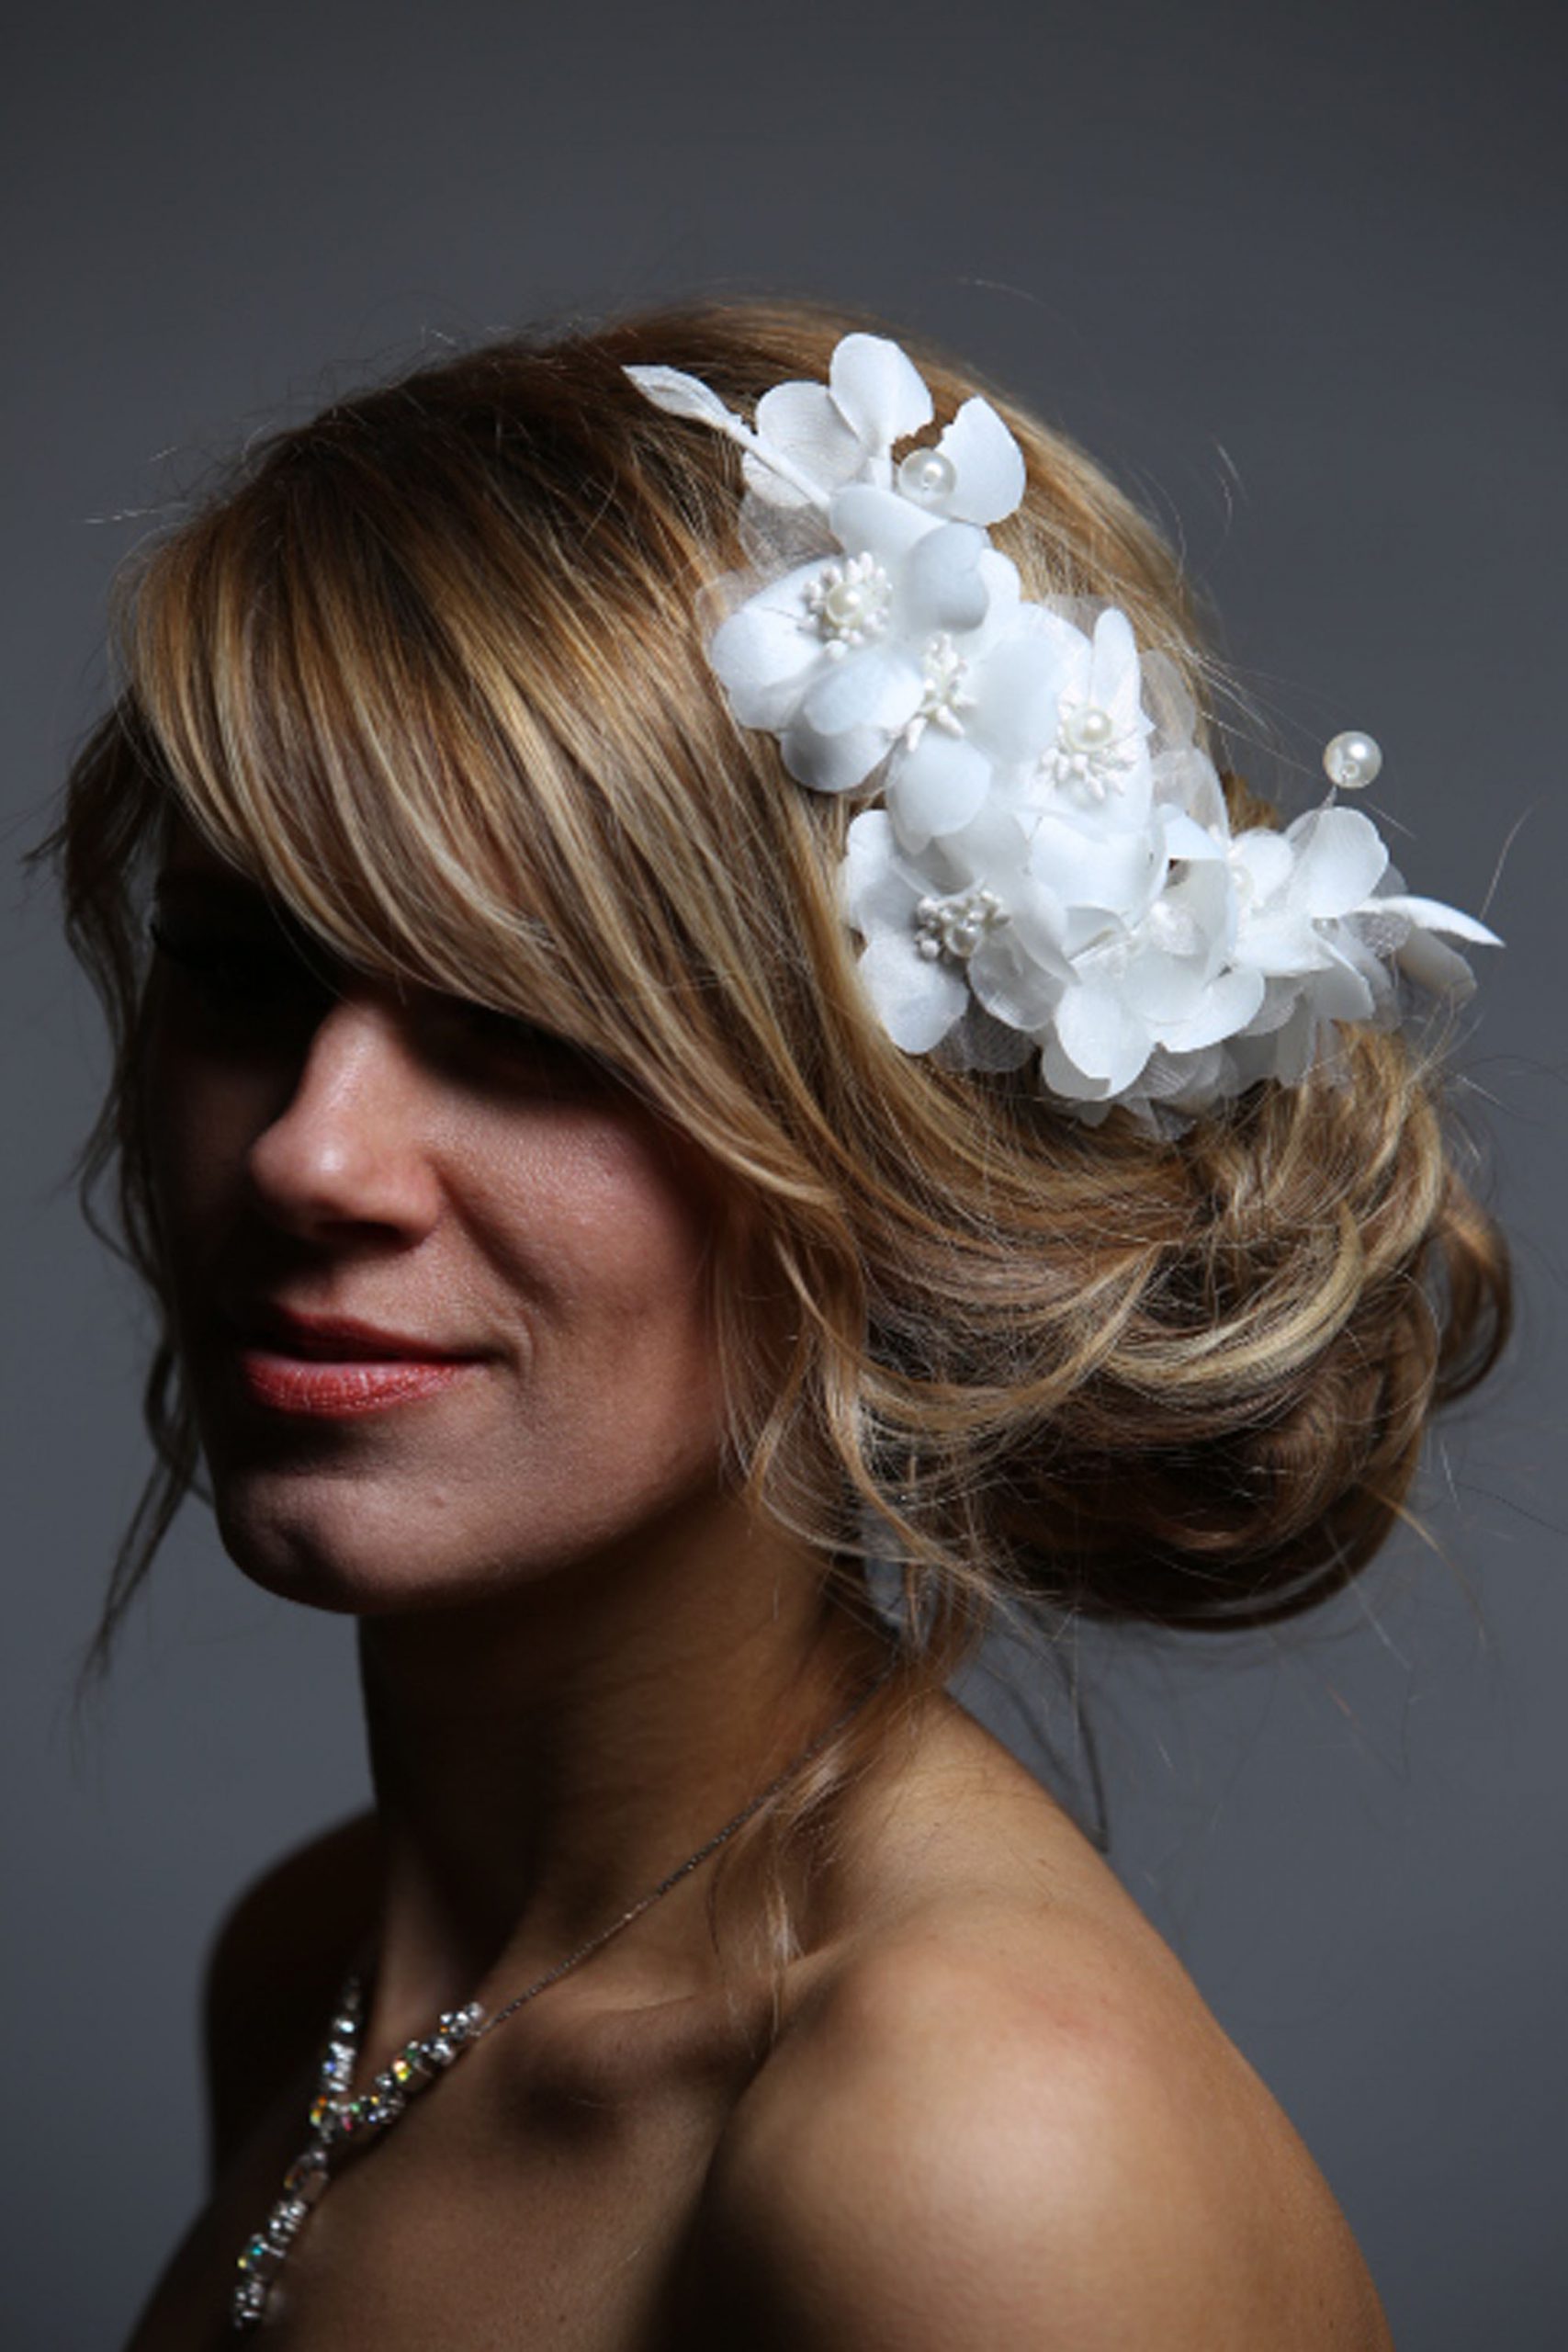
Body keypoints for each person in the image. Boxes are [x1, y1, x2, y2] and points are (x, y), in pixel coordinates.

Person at [50, 299, 1508, 2348]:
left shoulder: (980, 2157)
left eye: (526, 1025)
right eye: (241, 968)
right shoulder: (309, 1969)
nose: (312, 1151)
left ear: (887, 1127)